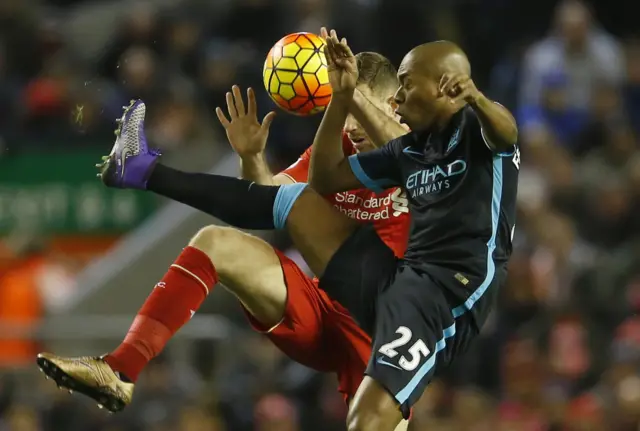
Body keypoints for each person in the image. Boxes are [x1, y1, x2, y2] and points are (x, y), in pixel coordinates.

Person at [39, 27, 519, 430]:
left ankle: (142, 171)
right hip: (329, 301)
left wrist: (354, 102)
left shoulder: (433, 145)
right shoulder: (355, 154)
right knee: (218, 242)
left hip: (390, 323)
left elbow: (415, 147)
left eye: (384, 104)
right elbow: (272, 198)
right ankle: (121, 366)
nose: (356, 125)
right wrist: (252, 156)